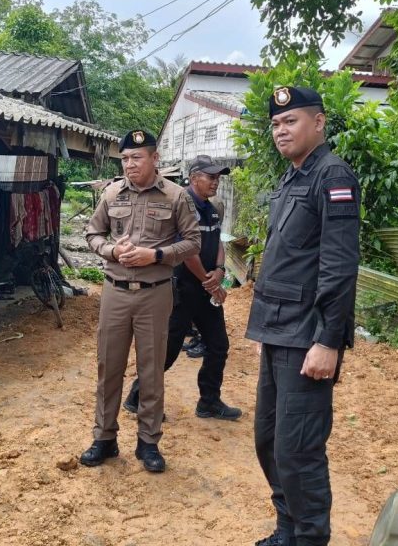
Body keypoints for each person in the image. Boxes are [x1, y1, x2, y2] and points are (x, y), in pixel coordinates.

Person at [246, 86, 360, 546]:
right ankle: (287, 529)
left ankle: (310, 537)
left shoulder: (332, 176)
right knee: (268, 440)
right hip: (278, 331)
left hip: (307, 336)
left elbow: (339, 265)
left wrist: (328, 340)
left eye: (290, 121)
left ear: (319, 122)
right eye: (275, 124)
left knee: (299, 449)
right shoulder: (293, 176)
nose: (280, 130)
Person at [80, 129, 201, 473]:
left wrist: (156, 255)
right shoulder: (112, 193)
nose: (130, 164)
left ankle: (148, 442)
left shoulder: (176, 196)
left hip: (155, 293)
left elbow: (193, 242)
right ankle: (104, 437)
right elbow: (92, 233)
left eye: (137, 157)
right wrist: (111, 250)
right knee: (108, 367)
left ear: (154, 158)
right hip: (114, 291)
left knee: (151, 370)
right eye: (125, 159)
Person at [123, 154, 242, 421]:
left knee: (218, 345)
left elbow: (218, 241)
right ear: (194, 178)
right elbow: (187, 252)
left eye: (218, 178)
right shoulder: (181, 204)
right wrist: (209, 281)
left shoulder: (211, 208)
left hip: (205, 287)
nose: (216, 182)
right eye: (211, 177)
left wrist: (219, 270)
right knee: (168, 348)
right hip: (181, 288)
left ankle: (209, 402)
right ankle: (137, 398)